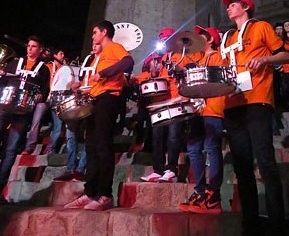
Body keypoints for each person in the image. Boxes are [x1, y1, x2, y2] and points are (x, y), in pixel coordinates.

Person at [220, 0, 289, 236]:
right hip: (231, 103)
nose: (229, 8)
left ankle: (277, 223)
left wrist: (265, 59)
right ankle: (249, 223)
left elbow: (286, 55)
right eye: (228, 5)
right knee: (241, 166)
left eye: (233, 4)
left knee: (265, 160)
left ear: (246, 7)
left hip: (257, 100)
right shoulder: (227, 37)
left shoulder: (261, 26)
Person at [63, 20, 134, 211]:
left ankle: (105, 194)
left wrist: (103, 73)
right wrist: (80, 87)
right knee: (91, 147)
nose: (93, 36)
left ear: (104, 32)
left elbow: (128, 62)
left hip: (109, 99)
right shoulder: (98, 56)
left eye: (95, 32)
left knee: (103, 146)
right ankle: (90, 192)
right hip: (95, 100)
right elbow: (95, 82)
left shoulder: (114, 47)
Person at [140, 27, 203, 183]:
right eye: (162, 39)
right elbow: (155, 79)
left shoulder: (184, 54)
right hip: (161, 102)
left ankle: (171, 169)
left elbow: (192, 69)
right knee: (157, 136)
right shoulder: (160, 58)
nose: (164, 42)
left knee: (174, 136)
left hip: (177, 99)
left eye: (167, 39)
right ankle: (158, 169)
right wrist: (152, 73)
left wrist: (179, 69)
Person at [178, 25, 225, 214]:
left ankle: (213, 194)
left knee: (212, 148)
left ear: (211, 40)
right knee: (194, 149)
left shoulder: (219, 56)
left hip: (214, 106)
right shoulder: (198, 59)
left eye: (202, 36)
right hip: (196, 109)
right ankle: (199, 193)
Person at [0, 35, 50, 204]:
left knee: (11, 149)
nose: (29, 48)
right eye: (28, 45)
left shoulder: (44, 69)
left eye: (34, 46)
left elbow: (44, 90)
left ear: (40, 49)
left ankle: (0, 187)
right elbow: (4, 81)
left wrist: (39, 96)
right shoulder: (14, 62)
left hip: (23, 110)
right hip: (5, 106)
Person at [53, 42, 102, 182]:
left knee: (90, 136)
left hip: (94, 100)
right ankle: (70, 168)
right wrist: (74, 85)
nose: (93, 46)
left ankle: (80, 169)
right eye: (92, 44)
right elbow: (81, 80)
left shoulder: (104, 60)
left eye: (97, 44)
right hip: (81, 99)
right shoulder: (87, 59)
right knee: (70, 134)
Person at [22, 47, 66, 155]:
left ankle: (51, 149)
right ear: (55, 56)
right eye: (61, 53)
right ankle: (29, 147)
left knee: (58, 124)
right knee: (36, 120)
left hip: (57, 100)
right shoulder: (48, 67)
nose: (63, 56)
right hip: (46, 98)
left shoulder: (65, 69)